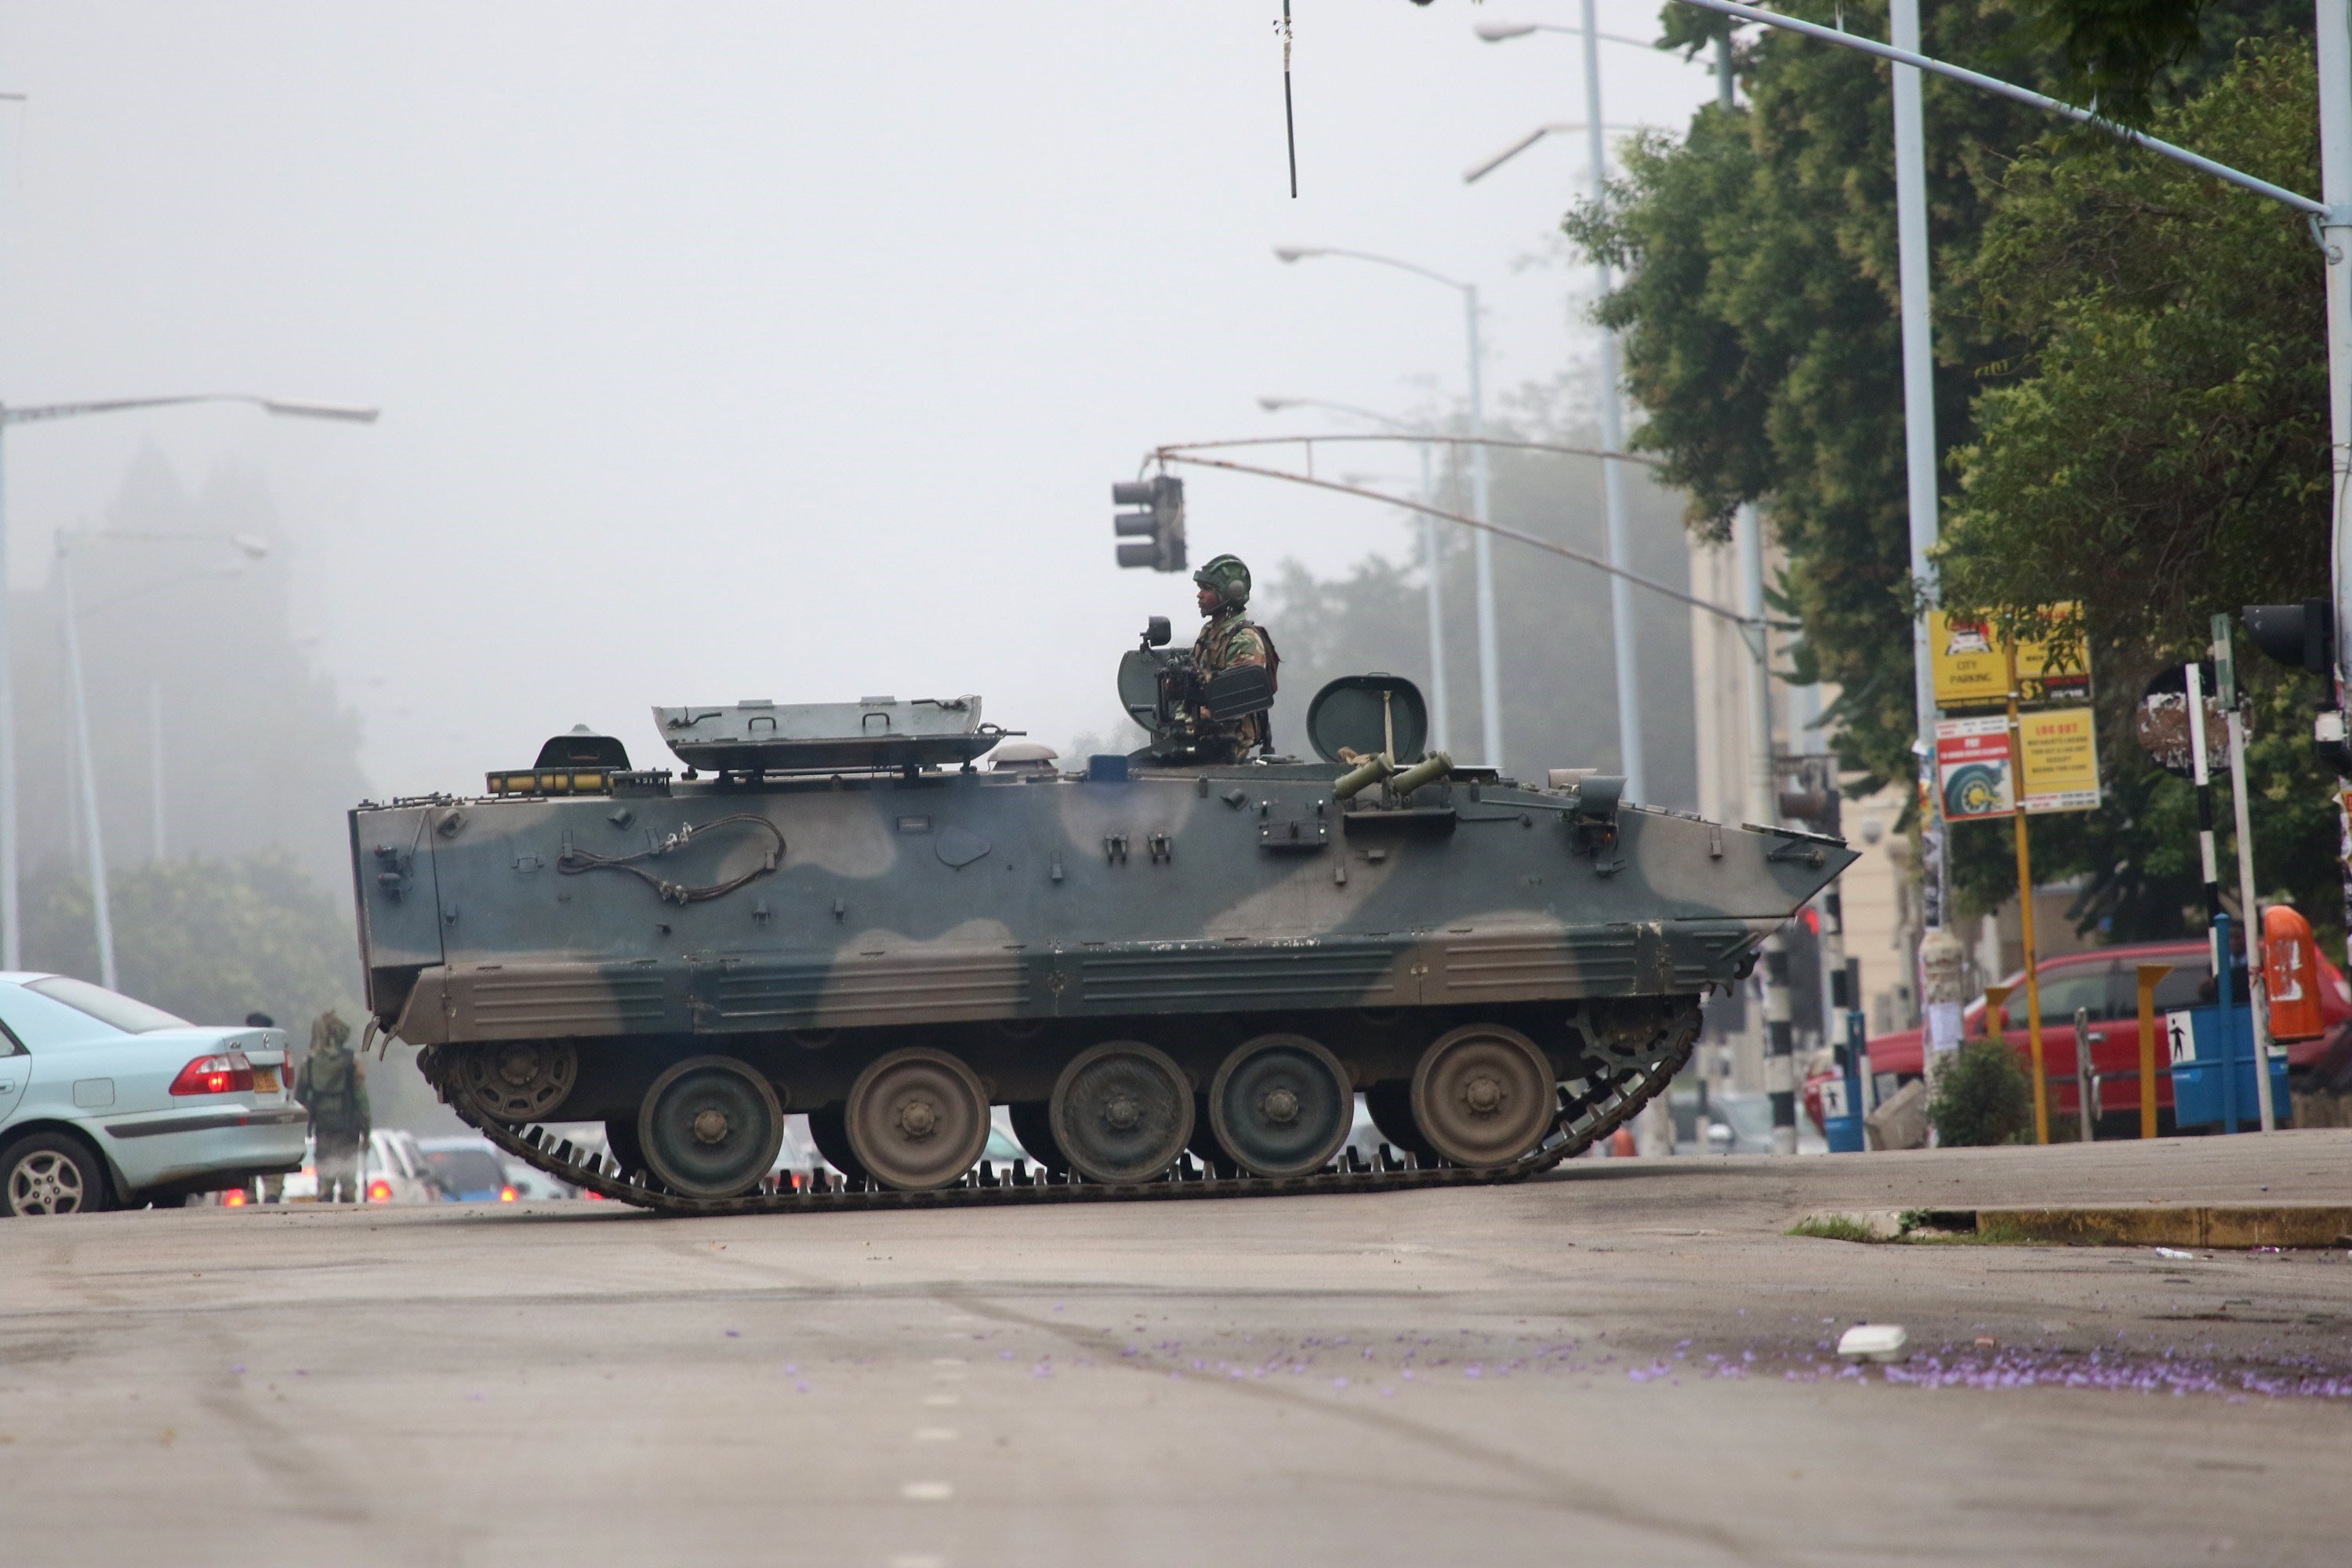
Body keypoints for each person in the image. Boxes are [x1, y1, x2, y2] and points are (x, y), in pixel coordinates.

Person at [1189, 553, 1278, 758]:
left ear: (1230, 593)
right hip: (1203, 736)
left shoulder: (1244, 639)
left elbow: (1236, 699)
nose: (1199, 595)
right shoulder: (1210, 631)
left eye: (1207, 589)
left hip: (1230, 741)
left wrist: (1193, 715)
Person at [296, 1010, 372, 1203]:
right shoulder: (351, 1061)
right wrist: (367, 1130)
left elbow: (300, 1098)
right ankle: (347, 1198)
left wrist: (301, 1129)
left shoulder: (310, 1062)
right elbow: (361, 1098)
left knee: (324, 1173)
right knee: (348, 1181)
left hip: (322, 1126)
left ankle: (325, 1194)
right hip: (348, 1127)